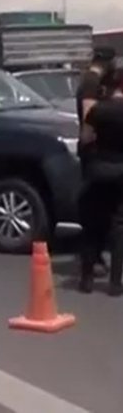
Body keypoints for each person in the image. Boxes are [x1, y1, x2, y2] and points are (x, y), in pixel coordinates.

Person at [81, 61, 123, 295]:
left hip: (98, 170)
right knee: (118, 227)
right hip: (121, 171)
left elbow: (86, 137)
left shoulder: (98, 110)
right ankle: (115, 283)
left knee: (93, 223)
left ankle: (86, 279)